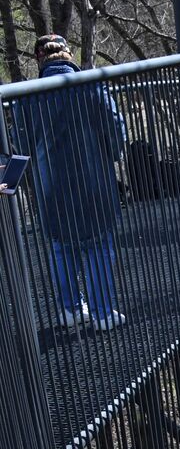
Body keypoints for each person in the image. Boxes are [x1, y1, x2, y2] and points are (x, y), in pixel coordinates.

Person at [14, 34, 127, 331]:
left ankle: (70, 310)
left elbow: (21, 145)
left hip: (50, 189)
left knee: (61, 247)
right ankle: (103, 313)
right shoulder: (91, 85)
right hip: (95, 184)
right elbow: (115, 130)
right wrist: (113, 154)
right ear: (68, 55)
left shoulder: (26, 96)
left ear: (39, 59)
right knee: (99, 244)